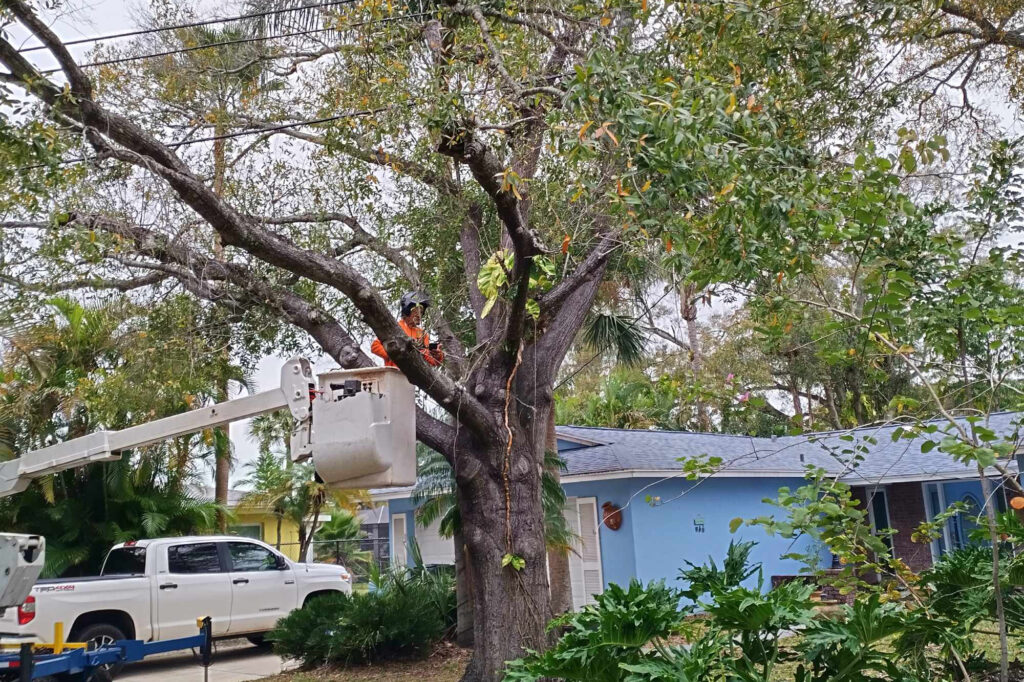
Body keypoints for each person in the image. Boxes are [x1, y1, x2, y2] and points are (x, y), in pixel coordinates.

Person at [371, 291, 444, 367]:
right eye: (415, 311)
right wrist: (394, 355)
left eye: (421, 312)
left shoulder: (422, 334)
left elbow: (431, 361)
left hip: (415, 375)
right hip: (395, 373)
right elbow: (375, 346)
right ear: (407, 310)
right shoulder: (395, 327)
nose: (419, 315)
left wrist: (437, 356)